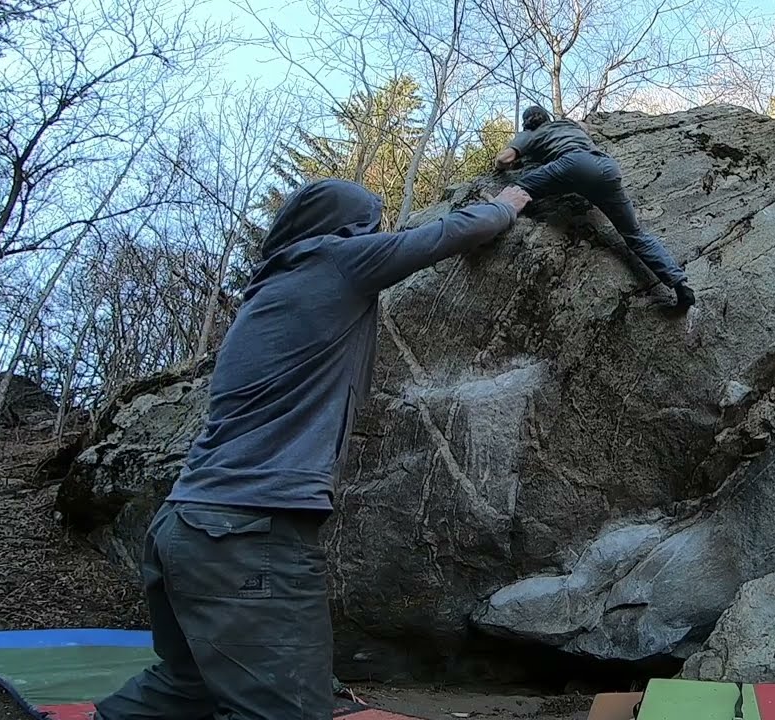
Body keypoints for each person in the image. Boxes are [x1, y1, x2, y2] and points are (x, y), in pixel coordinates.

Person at [93, 179, 532, 720]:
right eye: (370, 225)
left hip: (187, 527)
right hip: (248, 534)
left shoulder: (273, 289)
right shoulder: (333, 261)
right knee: (289, 710)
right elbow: (446, 235)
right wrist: (506, 204)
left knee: (189, 684)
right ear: (349, 228)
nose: (376, 235)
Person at [494, 105, 695, 308]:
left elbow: (505, 159)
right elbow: (585, 126)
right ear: (547, 117)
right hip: (607, 168)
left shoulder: (529, 134)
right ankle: (679, 283)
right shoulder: (568, 124)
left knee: (517, 189)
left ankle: (490, 219)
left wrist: (500, 164)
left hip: (572, 166)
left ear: (527, 122)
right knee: (635, 235)